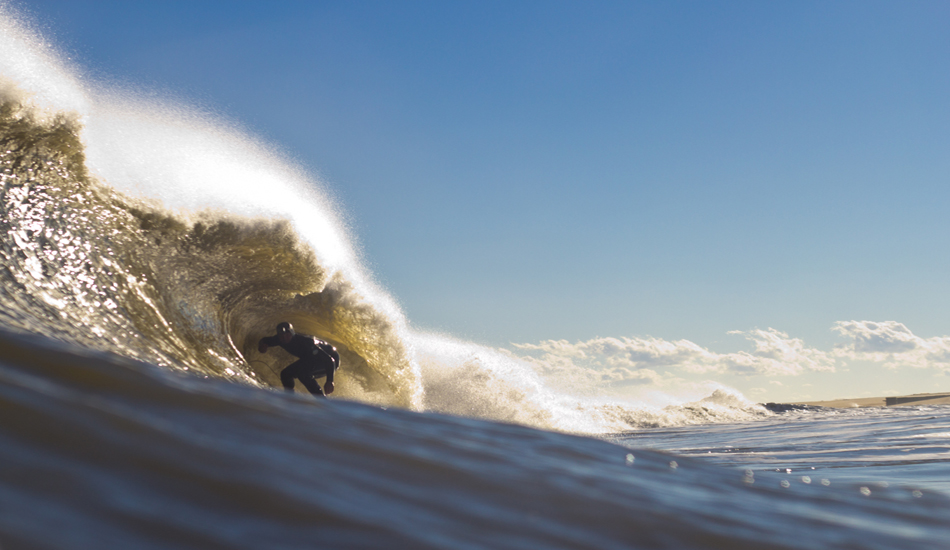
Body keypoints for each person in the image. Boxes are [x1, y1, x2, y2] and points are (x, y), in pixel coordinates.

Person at [258, 322, 340, 398]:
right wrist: (262, 346)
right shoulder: (280, 340)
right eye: (281, 336)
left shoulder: (306, 342)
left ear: (292, 333)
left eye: (287, 335)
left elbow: (329, 360)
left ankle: (322, 401)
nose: (284, 338)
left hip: (330, 359)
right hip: (310, 359)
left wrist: (330, 381)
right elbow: (265, 340)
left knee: (303, 374)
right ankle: (290, 398)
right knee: (285, 374)